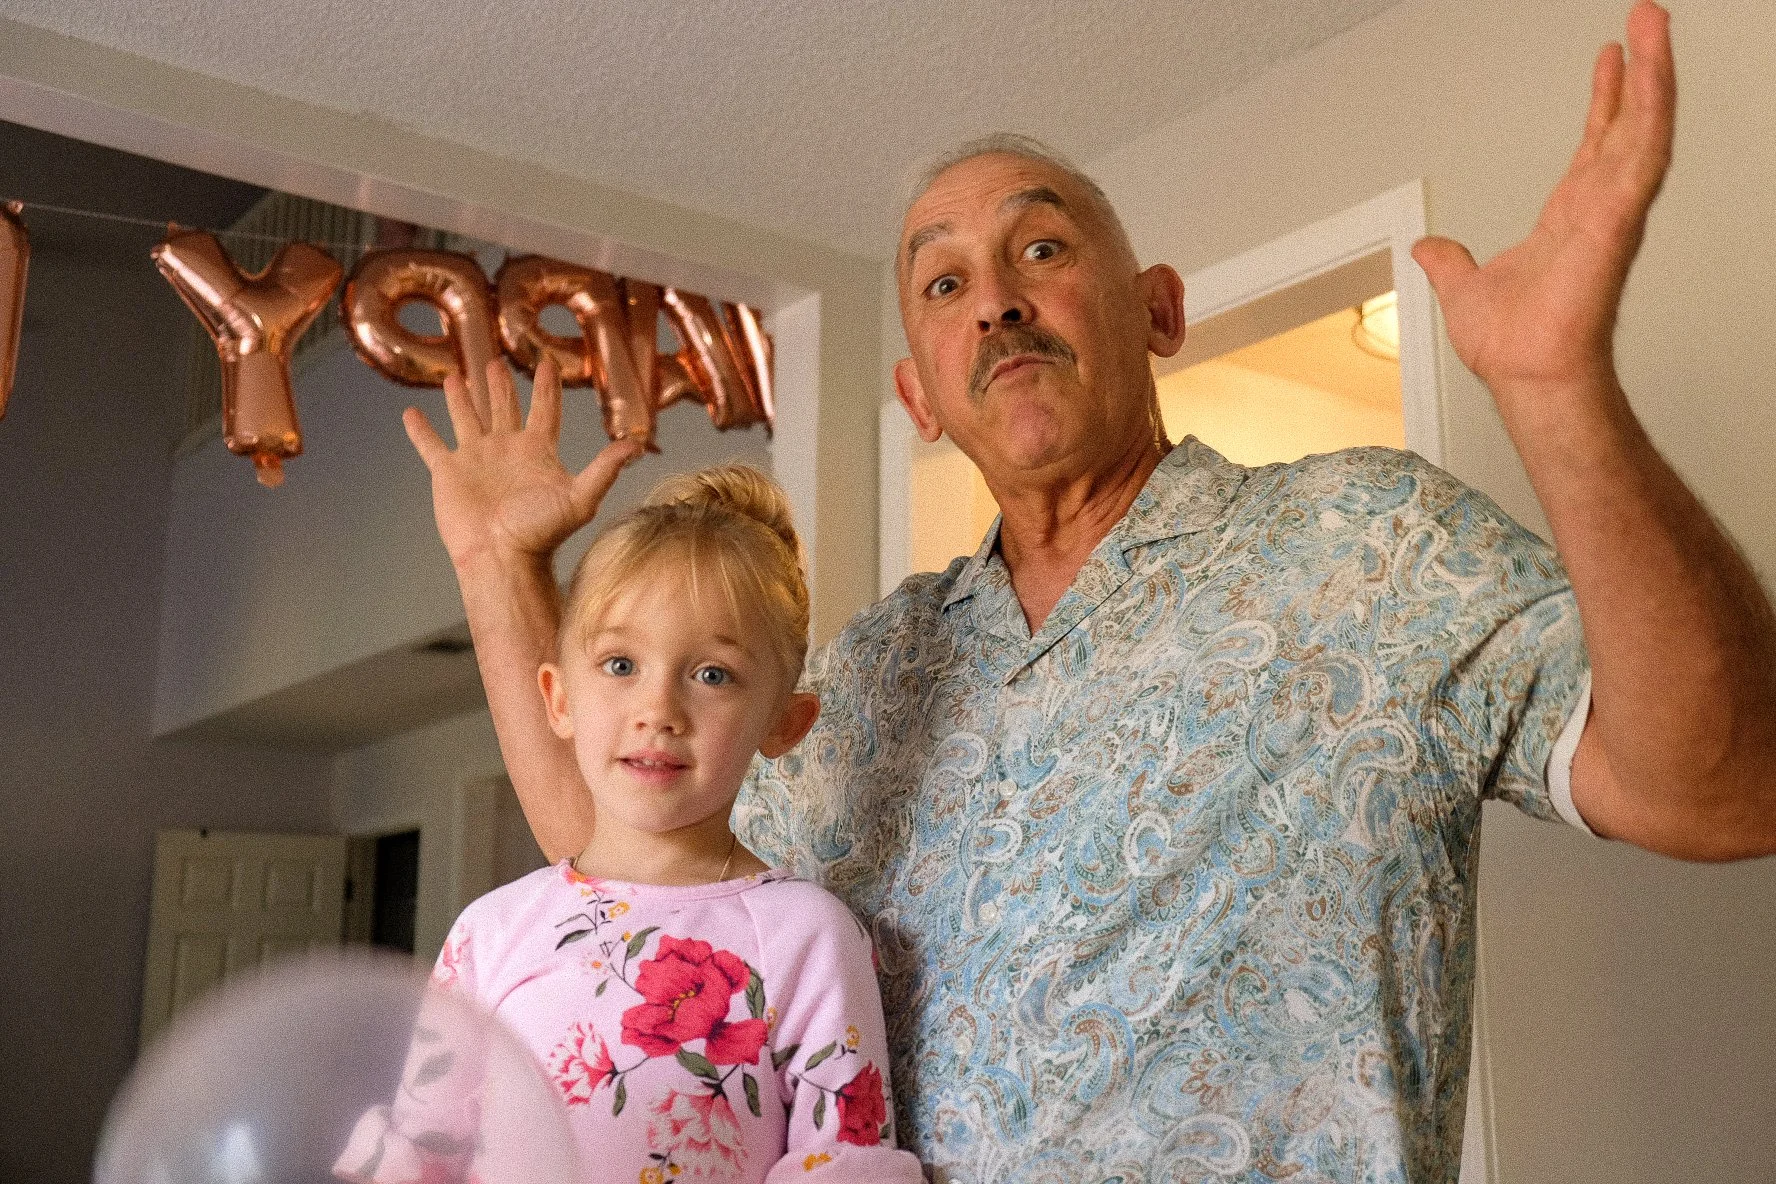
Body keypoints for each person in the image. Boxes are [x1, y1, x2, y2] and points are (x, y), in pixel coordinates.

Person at [401, 3, 1776, 1178]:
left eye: (1041, 251)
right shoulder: (875, 673)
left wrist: (1558, 395)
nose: (995, 299)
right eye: (945, 282)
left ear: (1157, 308)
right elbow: (622, 845)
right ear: (920, 398)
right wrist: (498, 568)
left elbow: (1730, 787)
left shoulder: (1369, 540)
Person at [335, 466, 925, 1183]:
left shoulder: (811, 937)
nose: (658, 710)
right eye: (621, 663)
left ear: (784, 722)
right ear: (558, 699)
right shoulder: (488, 935)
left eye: (712, 674)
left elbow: (841, 1167)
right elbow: (419, 1158)